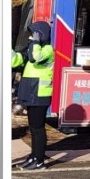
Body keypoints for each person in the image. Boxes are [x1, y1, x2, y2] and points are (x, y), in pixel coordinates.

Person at [11, 21, 54, 170]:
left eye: (35, 33)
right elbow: (15, 60)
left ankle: (40, 160)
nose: (32, 36)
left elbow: (36, 57)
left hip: (40, 95)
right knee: (33, 128)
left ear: (42, 35)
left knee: (38, 128)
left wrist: (35, 42)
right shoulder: (32, 48)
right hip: (31, 93)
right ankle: (34, 156)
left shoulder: (48, 50)